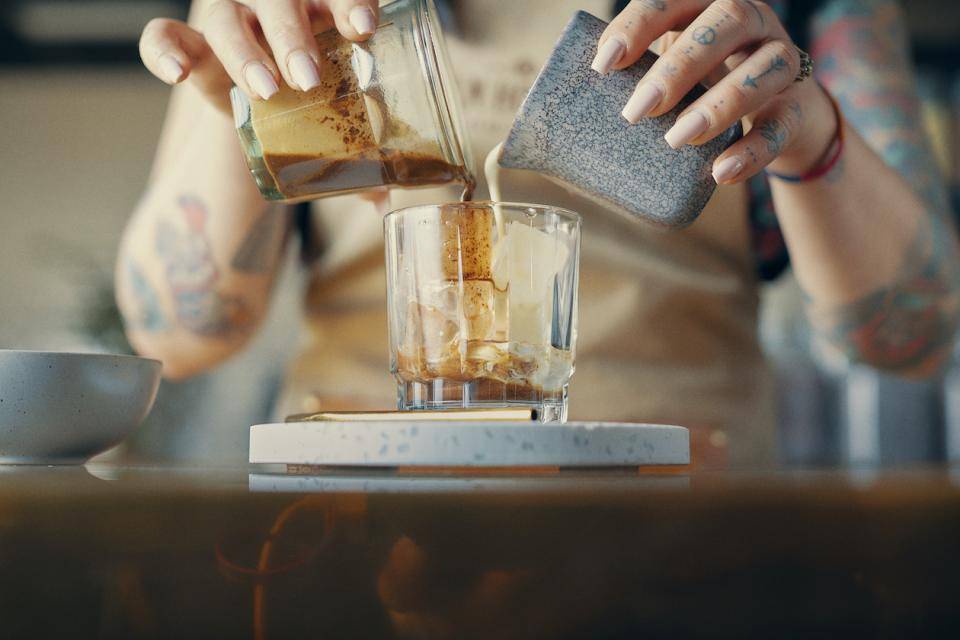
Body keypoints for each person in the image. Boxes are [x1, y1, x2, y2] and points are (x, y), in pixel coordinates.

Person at [118, 0, 960, 467]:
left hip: (682, 531)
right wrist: (255, 95)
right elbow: (176, 332)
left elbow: (918, 338)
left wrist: (812, 135)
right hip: (358, 530)